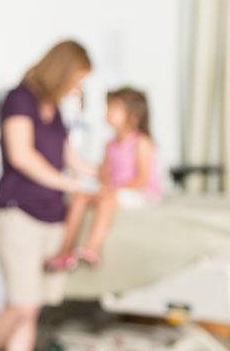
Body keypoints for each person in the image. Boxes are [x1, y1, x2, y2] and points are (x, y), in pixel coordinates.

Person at [0, 40, 95, 351]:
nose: (78, 88)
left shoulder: (55, 110)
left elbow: (66, 155)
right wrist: (69, 186)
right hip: (19, 214)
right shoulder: (20, 99)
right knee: (22, 304)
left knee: (28, 312)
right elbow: (21, 155)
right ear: (62, 71)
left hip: (51, 217)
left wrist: (96, 175)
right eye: (78, 79)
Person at [45, 87, 161, 271]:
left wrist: (112, 190)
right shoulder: (109, 144)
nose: (107, 113)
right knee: (80, 197)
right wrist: (97, 187)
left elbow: (142, 179)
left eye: (114, 108)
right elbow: (105, 176)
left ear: (133, 115)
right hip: (115, 191)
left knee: (107, 200)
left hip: (141, 193)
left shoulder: (141, 142)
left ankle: (90, 249)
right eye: (108, 108)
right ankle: (64, 252)